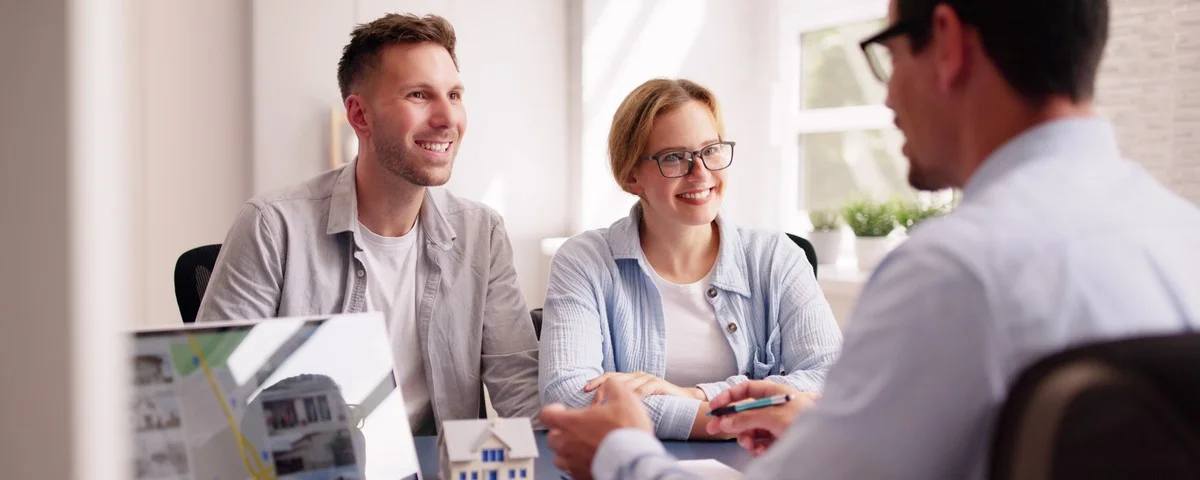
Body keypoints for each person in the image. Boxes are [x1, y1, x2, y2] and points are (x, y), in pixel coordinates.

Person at [539, 0, 1200, 478]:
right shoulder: (1184, 236)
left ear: (947, 42)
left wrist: (625, 453)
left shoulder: (952, 273)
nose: (887, 100)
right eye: (675, 158)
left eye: (886, 53)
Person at [197, 13, 540, 435]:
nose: (447, 118)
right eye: (418, 95)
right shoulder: (273, 226)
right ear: (359, 116)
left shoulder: (481, 234)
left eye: (453, 95)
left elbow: (524, 397)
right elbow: (214, 401)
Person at [538, 78, 842, 441]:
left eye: (710, 150)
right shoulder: (584, 261)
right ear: (632, 175)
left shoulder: (777, 258)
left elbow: (829, 378)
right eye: (673, 157)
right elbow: (570, 395)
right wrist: (727, 420)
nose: (701, 173)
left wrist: (696, 395)